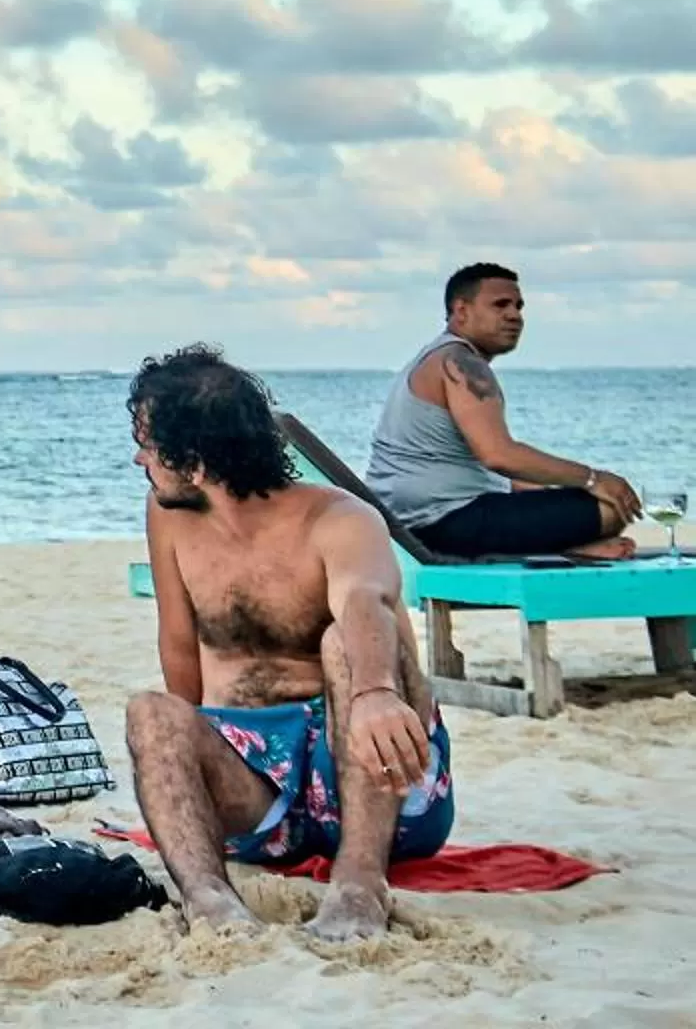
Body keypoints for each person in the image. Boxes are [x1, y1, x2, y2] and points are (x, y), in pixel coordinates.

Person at [126, 346, 454, 941]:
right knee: (152, 714)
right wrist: (190, 758)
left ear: (193, 459)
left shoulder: (341, 518)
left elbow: (365, 604)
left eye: (148, 442)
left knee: (340, 643)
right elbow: (177, 645)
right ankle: (210, 903)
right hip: (260, 797)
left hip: (378, 775)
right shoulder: (168, 515)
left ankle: (359, 884)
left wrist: (378, 691)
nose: (138, 457)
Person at [366, 263, 642, 559]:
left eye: (518, 306)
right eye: (500, 305)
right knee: (609, 509)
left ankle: (565, 548)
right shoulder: (460, 362)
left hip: (410, 517)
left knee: (570, 499)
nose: (514, 315)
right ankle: (565, 549)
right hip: (437, 523)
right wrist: (594, 478)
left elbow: (486, 474)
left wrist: (553, 491)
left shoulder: (438, 356)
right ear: (461, 310)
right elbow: (498, 454)